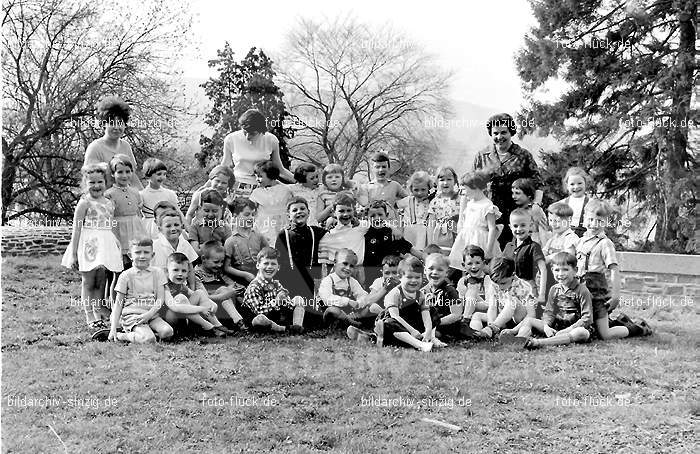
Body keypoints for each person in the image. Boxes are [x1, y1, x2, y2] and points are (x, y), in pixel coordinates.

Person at [576, 200, 651, 340]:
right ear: (584, 219)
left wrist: (616, 296)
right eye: (590, 219)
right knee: (587, 326)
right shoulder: (581, 241)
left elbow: (614, 270)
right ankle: (619, 320)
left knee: (605, 334)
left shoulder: (605, 243)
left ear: (605, 222)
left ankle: (638, 327)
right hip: (581, 290)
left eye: (599, 221)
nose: (593, 224)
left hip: (596, 291)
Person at [62, 163, 123, 332]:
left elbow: (112, 224)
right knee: (88, 281)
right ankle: (89, 314)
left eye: (100, 182)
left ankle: (98, 311)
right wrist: (73, 253)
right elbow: (77, 228)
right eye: (92, 183)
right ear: (85, 184)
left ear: (106, 182)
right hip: (89, 244)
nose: (96, 186)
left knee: (101, 280)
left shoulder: (109, 202)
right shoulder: (84, 203)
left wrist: (117, 243)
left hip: (106, 244)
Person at [499, 252, 593, 348]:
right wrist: (546, 326)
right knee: (529, 320)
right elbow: (549, 312)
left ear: (575, 270)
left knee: (581, 333)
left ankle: (539, 342)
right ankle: (519, 338)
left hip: (575, 327)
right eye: (557, 270)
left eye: (565, 270)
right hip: (557, 325)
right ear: (552, 270)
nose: (561, 274)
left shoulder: (582, 290)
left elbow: (587, 318)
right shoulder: (554, 289)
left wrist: (569, 329)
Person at [473, 113, 540, 248]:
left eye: (504, 132)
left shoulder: (523, 155)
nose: (499, 137)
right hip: (489, 212)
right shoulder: (482, 156)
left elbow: (538, 183)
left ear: (511, 132)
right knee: (489, 250)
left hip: (517, 212)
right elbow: (472, 184)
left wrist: (536, 205)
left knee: (516, 250)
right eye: (495, 133)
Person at [108, 237, 174, 343]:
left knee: (167, 332)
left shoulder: (158, 273)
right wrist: (113, 328)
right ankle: (122, 336)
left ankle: (145, 333)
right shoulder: (126, 275)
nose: (142, 256)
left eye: (146, 252)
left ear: (152, 255)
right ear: (130, 255)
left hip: (151, 314)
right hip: (133, 316)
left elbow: (160, 299)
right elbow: (118, 303)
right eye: (138, 252)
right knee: (149, 339)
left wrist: (149, 314)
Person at [274, 197, 327, 328]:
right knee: (292, 304)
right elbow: (278, 261)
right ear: (289, 215)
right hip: (289, 279)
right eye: (295, 210)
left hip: (310, 279)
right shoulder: (284, 234)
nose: (299, 212)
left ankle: (304, 321)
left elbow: (334, 232)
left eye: (302, 209)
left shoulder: (316, 231)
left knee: (315, 317)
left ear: (309, 212)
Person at [221, 109, 295, 197]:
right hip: (239, 184)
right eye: (245, 132)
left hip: (264, 185)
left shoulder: (271, 140)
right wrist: (207, 185)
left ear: (261, 131)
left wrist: (302, 182)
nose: (248, 136)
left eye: (252, 133)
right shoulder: (231, 139)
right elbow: (223, 167)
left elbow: (280, 170)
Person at [375, 256, 440, 351]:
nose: (414, 281)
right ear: (400, 277)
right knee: (389, 323)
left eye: (417, 277)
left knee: (433, 311)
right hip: (399, 325)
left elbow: (426, 316)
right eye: (409, 277)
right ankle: (420, 345)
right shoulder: (395, 293)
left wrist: (428, 331)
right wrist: (412, 331)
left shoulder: (420, 295)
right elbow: (395, 317)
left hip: (412, 324)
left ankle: (430, 338)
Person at [164, 253, 232, 337]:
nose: (180, 274)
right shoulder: (164, 286)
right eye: (175, 270)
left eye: (184, 271)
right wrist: (202, 308)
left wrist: (211, 303)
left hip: (184, 315)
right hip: (169, 317)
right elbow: (174, 306)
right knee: (181, 298)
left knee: (199, 292)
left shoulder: (181, 285)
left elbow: (194, 294)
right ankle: (208, 327)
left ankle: (217, 325)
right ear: (167, 271)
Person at [242, 247, 306, 334]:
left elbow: (288, 306)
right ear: (258, 265)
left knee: (298, 299)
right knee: (260, 319)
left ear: (278, 267)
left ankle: (297, 327)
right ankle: (283, 329)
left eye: (273, 264)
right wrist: (276, 301)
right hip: (258, 320)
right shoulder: (254, 287)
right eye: (266, 263)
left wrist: (285, 301)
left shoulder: (276, 284)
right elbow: (259, 312)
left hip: (274, 317)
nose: (269, 267)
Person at [83, 96, 142, 189]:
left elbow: (133, 177)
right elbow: (87, 179)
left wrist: (141, 197)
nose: (116, 128)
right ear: (103, 124)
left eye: (119, 123)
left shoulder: (126, 146)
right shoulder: (95, 148)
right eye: (112, 123)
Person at [448, 171, 501, 271]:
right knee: (466, 265)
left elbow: (492, 229)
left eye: (465, 189)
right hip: (467, 239)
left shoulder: (487, 205)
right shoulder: (469, 203)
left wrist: (488, 250)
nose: (464, 193)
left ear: (475, 188)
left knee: (480, 267)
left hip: (480, 240)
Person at [473, 256, 532, 339]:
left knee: (512, 301)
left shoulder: (523, 287)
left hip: (519, 319)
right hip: (502, 319)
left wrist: (515, 330)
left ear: (513, 275)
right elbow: (492, 307)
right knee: (477, 315)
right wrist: (490, 324)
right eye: (497, 283)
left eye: (503, 283)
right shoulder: (494, 285)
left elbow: (531, 315)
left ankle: (493, 328)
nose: (500, 287)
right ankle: (476, 334)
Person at [194, 242, 247, 331]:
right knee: (223, 290)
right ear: (203, 258)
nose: (220, 265)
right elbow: (204, 298)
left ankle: (239, 321)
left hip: (223, 307)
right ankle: (239, 322)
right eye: (216, 262)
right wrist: (224, 295)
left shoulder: (218, 272)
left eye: (222, 262)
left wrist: (233, 289)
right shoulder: (196, 276)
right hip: (209, 310)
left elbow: (231, 283)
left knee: (228, 290)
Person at [105, 154, 145, 269]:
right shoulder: (109, 194)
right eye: (120, 172)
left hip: (135, 230)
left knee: (137, 262)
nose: (124, 175)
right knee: (121, 266)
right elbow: (109, 218)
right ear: (113, 174)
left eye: (128, 172)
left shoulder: (135, 192)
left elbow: (138, 213)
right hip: (119, 231)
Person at [319, 249, 373, 330]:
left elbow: (363, 295)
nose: (348, 268)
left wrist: (358, 303)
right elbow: (327, 298)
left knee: (369, 306)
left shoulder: (351, 281)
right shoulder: (328, 280)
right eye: (345, 263)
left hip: (348, 313)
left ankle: (350, 321)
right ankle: (352, 323)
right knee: (332, 310)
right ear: (335, 262)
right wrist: (347, 301)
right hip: (330, 314)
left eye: (351, 266)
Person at [363, 200, 415, 284]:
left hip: (392, 275)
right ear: (367, 217)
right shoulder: (364, 233)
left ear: (386, 215)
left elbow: (410, 249)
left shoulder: (393, 233)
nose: (377, 218)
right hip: (371, 276)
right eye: (372, 216)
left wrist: (425, 257)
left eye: (380, 215)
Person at [224, 198, 268, 285]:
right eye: (247, 215)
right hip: (241, 280)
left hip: (261, 276)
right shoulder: (231, 241)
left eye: (253, 214)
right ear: (235, 216)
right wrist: (245, 275)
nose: (251, 218)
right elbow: (227, 267)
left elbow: (269, 255)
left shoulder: (259, 236)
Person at [249, 160, 294, 245]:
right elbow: (251, 208)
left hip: (282, 223)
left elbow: (290, 205)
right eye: (256, 176)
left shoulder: (285, 190)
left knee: (284, 244)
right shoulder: (257, 192)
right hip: (264, 224)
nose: (257, 179)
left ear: (271, 175)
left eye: (260, 176)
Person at [140, 158, 186, 239]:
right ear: (148, 175)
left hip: (168, 225)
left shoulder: (169, 194)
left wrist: (186, 227)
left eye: (164, 174)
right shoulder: (142, 195)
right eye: (159, 174)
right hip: (150, 228)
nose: (162, 177)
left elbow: (178, 211)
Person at [152, 209, 199, 289]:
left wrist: (192, 288)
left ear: (182, 226)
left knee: (201, 295)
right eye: (168, 226)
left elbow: (190, 269)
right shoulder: (155, 246)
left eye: (176, 225)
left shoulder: (185, 244)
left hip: (182, 286)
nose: (173, 229)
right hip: (160, 287)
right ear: (160, 229)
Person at [420, 253, 459, 346]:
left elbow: (456, 314)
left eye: (440, 270)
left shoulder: (450, 290)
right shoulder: (422, 291)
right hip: (428, 324)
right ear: (425, 270)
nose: (435, 272)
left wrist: (436, 323)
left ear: (447, 272)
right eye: (431, 268)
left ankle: (431, 337)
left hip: (445, 326)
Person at [357, 151, 407, 221]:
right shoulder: (366, 187)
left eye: (384, 167)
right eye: (377, 167)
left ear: (388, 168)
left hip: (392, 224)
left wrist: (397, 205)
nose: (381, 170)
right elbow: (363, 206)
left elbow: (409, 200)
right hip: (374, 224)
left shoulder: (395, 185)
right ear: (372, 169)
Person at [397, 171, 433, 251]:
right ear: (411, 189)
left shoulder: (431, 202)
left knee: (421, 251)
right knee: (408, 251)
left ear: (429, 189)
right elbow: (394, 206)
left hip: (424, 234)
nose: (419, 193)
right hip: (409, 232)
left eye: (423, 189)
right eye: (416, 190)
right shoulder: (407, 200)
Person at [188, 189, 232, 255]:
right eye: (206, 211)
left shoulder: (226, 228)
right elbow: (196, 251)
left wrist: (203, 246)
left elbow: (229, 251)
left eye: (214, 211)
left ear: (221, 209)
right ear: (200, 208)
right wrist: (219, 247)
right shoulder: (195, 228)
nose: (210, 215)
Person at [428, 166, 461, 251]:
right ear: (437, 182)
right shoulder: (434, 202)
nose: (445, 183)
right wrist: (430, 244)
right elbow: (431, 225)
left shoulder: (461, 199)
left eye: (449, 179)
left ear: (455, 181)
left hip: (457, 234)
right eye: (442, 180)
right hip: (440, 236)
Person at [511, 178, 549, 245]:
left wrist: (545, 251)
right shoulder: (519, 210)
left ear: (529, 195)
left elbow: (543, 232)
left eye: (517, 193)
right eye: (513, 193)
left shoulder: (536, 211)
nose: (513, 196)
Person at [558, 167, 594, 237]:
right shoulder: (561, 204)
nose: (576, 187)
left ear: (585, 183)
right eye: (572, 184)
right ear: (567, 186)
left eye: (579, 183)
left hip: (586, 239)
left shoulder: (592, 203)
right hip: (566, 240)